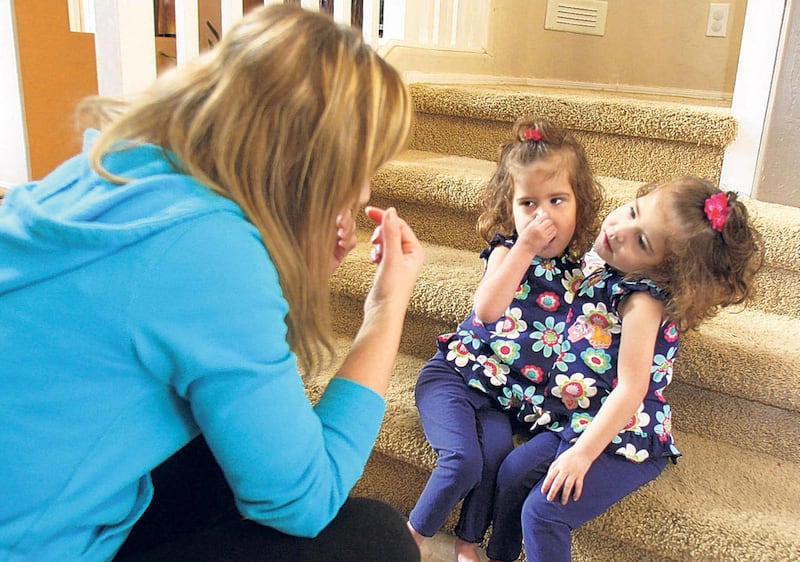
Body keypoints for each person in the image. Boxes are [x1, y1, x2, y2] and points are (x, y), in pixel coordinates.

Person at [0, 5, 425, 562]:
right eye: (358, 165)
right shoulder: (208, 253)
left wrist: (301, 262)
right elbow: (303, 499)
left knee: (220, 442)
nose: (365, 190)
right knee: (376, 540)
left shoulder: (117, 167)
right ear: (306, 165)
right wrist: (388, 306)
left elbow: (229, 369)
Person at [485, 176, 763, 562]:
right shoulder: (608, 270)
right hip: (581, 418)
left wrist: (581, 456)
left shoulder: (643, 302)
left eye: (642, 241)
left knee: (543, 511)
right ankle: (500, 554)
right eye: (632, 212)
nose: (619, 230)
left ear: (666, 274)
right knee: (514, 470)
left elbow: (632, 388)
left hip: (625, 436)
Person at [406, 117, 603, 562]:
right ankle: (408, 540)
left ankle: (467, 543)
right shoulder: (506, 251)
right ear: (508, 208)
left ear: (580, 206)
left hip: (501, 398)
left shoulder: (583, 270)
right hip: (456, 375)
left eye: (557, 200)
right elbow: (487, 310)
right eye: (528, 203)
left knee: (496, 455)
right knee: (463, 462)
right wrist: (525, 249)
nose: (543, 215)